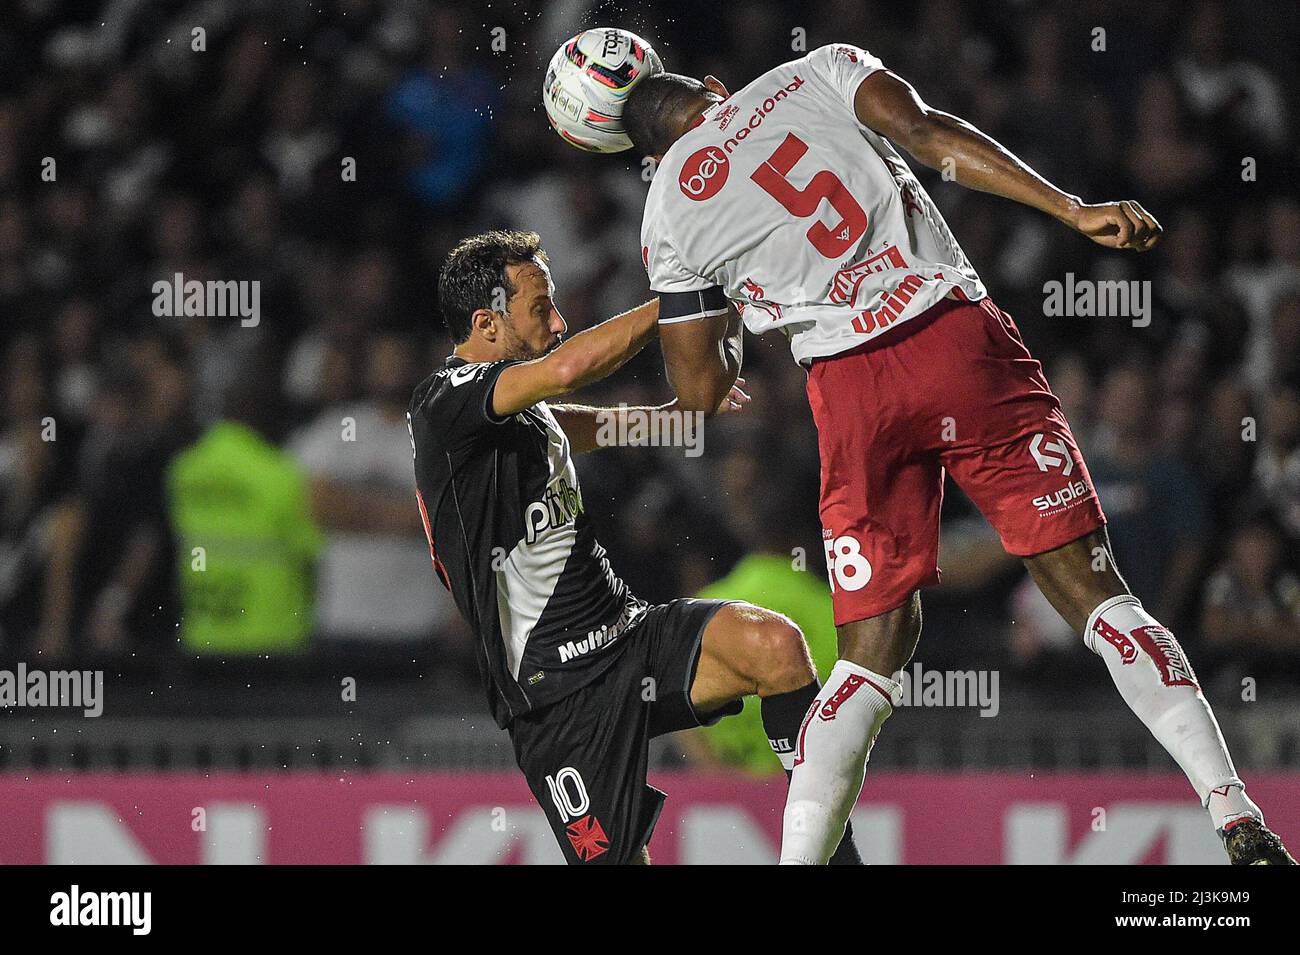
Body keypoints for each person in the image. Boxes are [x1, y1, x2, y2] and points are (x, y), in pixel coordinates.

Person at [623, 43, 1293, 864]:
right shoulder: (816, 70)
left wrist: (729, 331)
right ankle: (1234, 812)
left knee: (868, 664)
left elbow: (697, 388)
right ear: (718, 90)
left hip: (852, 391)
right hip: (955, 337)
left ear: (654, 153)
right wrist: (1070, 208)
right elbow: (931, 135)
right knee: (1098, 595)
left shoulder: (667, 211)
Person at [408, 230, 858, 864]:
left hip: (628, 638)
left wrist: (683, 416)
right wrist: (676, 299)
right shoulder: (443, 402)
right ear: (486, 322)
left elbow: (594, 425)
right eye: (541, 308)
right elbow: (568, 370)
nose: (559, 323)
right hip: (556, 695)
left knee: (774, 646)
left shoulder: (521, 411)